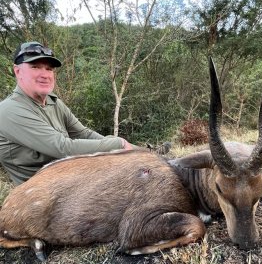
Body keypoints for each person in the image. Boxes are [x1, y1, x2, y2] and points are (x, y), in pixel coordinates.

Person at [0, 41, 163, 186]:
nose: (45, 74)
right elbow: (63, 148)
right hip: (43, 196)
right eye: (35, 67)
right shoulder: (9, 110)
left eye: (49, 69)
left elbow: (82, 133)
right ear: (18, 71)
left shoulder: (53, 101)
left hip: (71, 179)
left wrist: (140, 152)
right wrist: (118, 145)